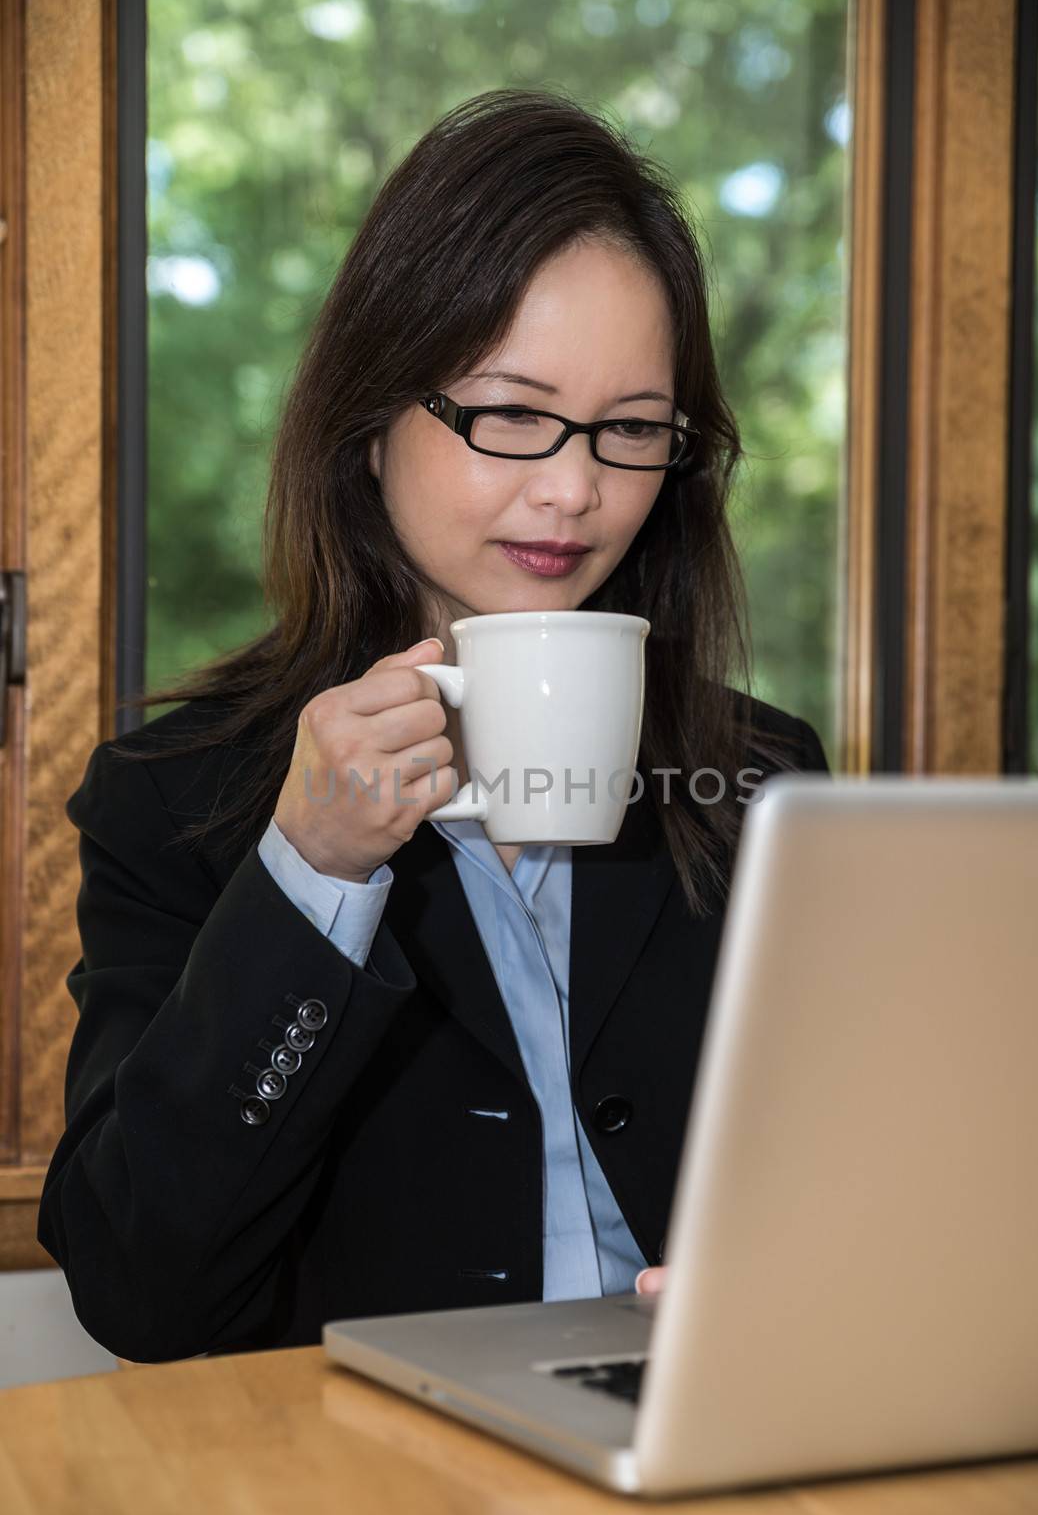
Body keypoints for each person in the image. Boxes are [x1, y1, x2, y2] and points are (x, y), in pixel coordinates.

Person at [38, 87, 829, 1363]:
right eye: (510, 412)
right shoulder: (174, 799)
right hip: (375, 1495)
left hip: (695, 1451)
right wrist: (313, 870)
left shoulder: (764, 775)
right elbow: (141, 1293)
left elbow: (854, 1169)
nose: (573, 488)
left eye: (631, 429)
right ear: (369, 421)